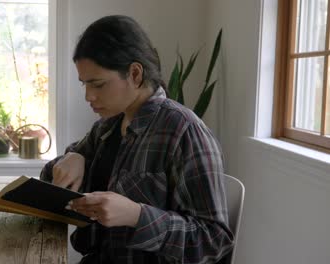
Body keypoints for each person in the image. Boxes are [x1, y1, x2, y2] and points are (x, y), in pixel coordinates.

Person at [40, 15, 234, 264]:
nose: (88, 96)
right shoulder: (106, 128)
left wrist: (138, 216)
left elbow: (214, 241)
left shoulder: (184, 131)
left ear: (135, 73)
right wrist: (74, 157)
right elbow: (50, 180)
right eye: (84, 84)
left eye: (97, 84)